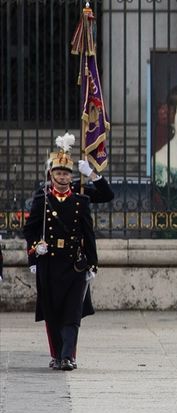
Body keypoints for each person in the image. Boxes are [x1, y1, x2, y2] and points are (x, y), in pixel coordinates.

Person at [23, 139, 98, 370]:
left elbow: (89, 232)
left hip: (73, 264)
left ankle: (68, 356)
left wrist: (93, 263)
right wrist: (36, 250)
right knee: (53, 312)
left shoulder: (81, 201)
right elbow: (29, 229)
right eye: (58, 172)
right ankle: (57, 355)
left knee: (72, 312)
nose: (63, 177)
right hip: (49, 262)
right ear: (50, 174)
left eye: (66, 173)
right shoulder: (42, 200)